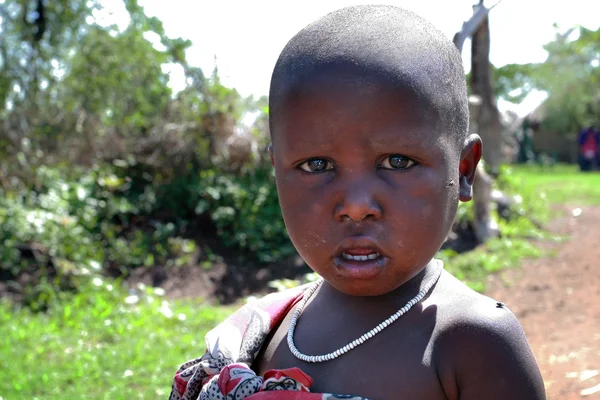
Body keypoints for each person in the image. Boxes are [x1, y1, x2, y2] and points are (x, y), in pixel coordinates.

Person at [168, 5, 546, 399]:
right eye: (317, 165)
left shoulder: (472, 345)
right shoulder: (261, 333)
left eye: (397, 162)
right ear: (277, 170)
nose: (356, 205)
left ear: (464, 170)